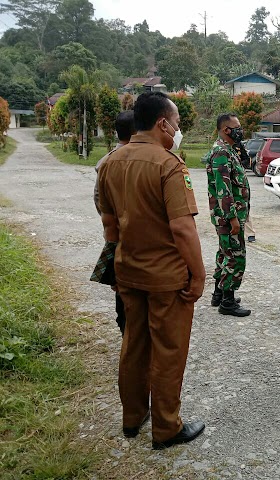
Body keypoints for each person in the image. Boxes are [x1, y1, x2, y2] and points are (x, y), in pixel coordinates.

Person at [98, 91, 206, 450]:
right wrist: (200, 274)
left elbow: (110, 226)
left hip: (128, 272)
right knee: (168, 350)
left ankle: (133, 417)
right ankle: (166, 427)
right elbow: (182, 228)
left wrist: (114, 269)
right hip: (167, 279)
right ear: (163, 123)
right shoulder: (168, 164)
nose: (178, 130)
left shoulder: (110, 163)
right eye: (176, 123)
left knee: (134, 345)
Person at [93, 110, 136, 336]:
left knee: (122, 296)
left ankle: (127, 337)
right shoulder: (131, 161)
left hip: (116, 239)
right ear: (137, 132)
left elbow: (99, 203)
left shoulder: (105, 161)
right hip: (131, 242)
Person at [204, 113, 251, 317]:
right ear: (226, 130)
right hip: (228, 216)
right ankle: (228, 302)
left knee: (225, 253)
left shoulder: (229, 150)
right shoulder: (221, 152)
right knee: (234, 255)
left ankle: (219, 294)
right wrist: (232, 217)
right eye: (237, 127)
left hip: (227, 215)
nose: (240, 130)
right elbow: (223, 188)